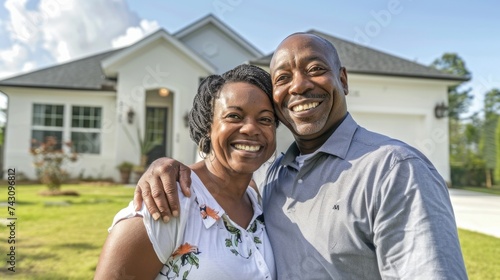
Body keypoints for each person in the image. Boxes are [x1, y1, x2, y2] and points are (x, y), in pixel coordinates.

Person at [134, 33, 468, 279]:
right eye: (282, 78)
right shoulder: (269, 178)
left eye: (315, 68)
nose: (299, 86)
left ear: (343, 79)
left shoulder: (394, 170)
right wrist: (166, 165)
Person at [94, 64, 278, 279]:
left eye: (265, 119)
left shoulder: (261, 201)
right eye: (234, 116)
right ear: (208, 126)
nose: (250, 128)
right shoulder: (167, 202)